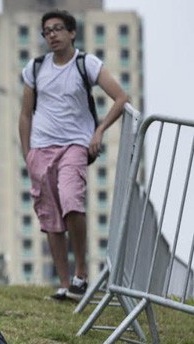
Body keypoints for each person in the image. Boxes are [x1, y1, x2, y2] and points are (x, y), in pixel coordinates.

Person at [18, 9, 128, 301]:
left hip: (75, 145)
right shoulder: (36, 68)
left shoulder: (86, 63)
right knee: (50, 216)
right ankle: (65, 285)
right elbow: (25, 114)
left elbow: (121, 98)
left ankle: (81, 273)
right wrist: (28, 153)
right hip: (41, 148)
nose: (52, 35)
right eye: (47, 31)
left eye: (57, 29)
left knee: (71, 202)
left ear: (71, 32)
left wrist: (99, 131)